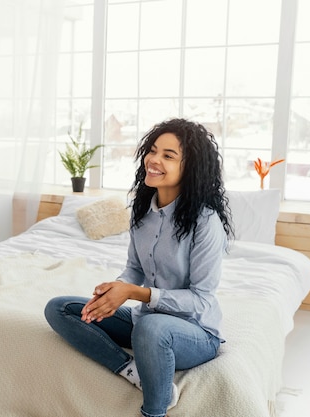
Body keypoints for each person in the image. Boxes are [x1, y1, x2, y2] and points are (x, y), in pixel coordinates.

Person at [44, 118, 234, 417]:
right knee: (60, 308)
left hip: (195, 332)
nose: (154, 160)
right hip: (146, 321)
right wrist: (114, 290)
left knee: (151, 326)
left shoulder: (205, 222)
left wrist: (135, 292)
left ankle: (153, 412)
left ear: (191, 168)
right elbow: (134, 267)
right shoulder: (142, 211)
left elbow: (202, 298)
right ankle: (133, 371)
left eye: (168, 156)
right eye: (153, 150)